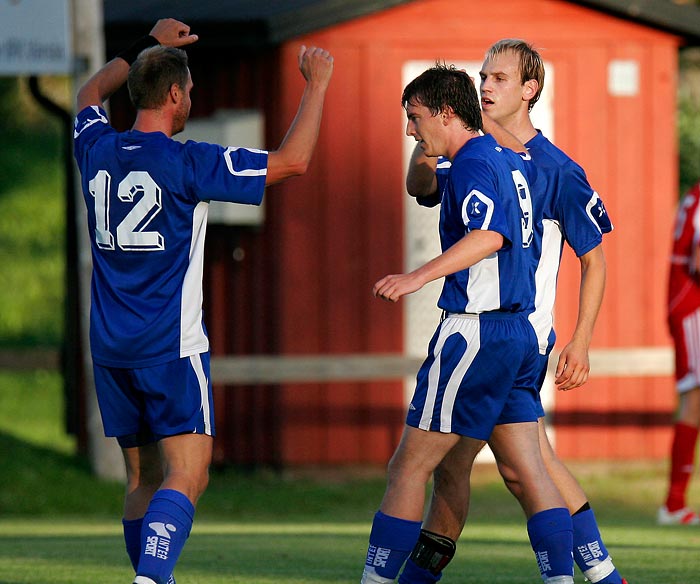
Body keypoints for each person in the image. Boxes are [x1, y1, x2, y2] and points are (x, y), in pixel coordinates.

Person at [73, 18, 333, 584]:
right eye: (188, 90)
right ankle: (153, 578)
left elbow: (88, 94)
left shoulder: (96, 148)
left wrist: (147, 45)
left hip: (111, 347)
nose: (192, 99)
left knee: (141, 479)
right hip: (171, 346)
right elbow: (293, 162)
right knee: (188, 475)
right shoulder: (188, 162)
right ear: (173, 95)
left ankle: (146, 575)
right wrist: (315, 86)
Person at [398, 40, 623, 584]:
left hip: (511, 334)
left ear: (530, 90)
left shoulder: (557, 170)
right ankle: (602, 576)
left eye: (499, 78)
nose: (487, 87)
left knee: (456, 467)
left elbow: (595, 261)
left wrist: (581, 339)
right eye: (482, 77)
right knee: (524, 468)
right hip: (502, 337)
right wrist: (429, 133)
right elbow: (420, 187)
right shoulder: (475, 154)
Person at [360, 63, 576, 584]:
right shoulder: (497, 159)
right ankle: (563, 579)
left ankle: (377, 580)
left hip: (477, 330)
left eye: (415, 118)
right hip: (519, 336)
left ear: (447, 113)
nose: (410, 129)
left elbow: (489, 236)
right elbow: (420, 185)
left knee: (409, 467)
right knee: (523, 471)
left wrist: (417, 277)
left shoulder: (475, 164)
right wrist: (429, 146)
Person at [660, 179, 700, 526]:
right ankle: (674, 502)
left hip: (685, 304)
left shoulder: (695, 194)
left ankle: (675, 502)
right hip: (692, 305)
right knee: (694, 398)